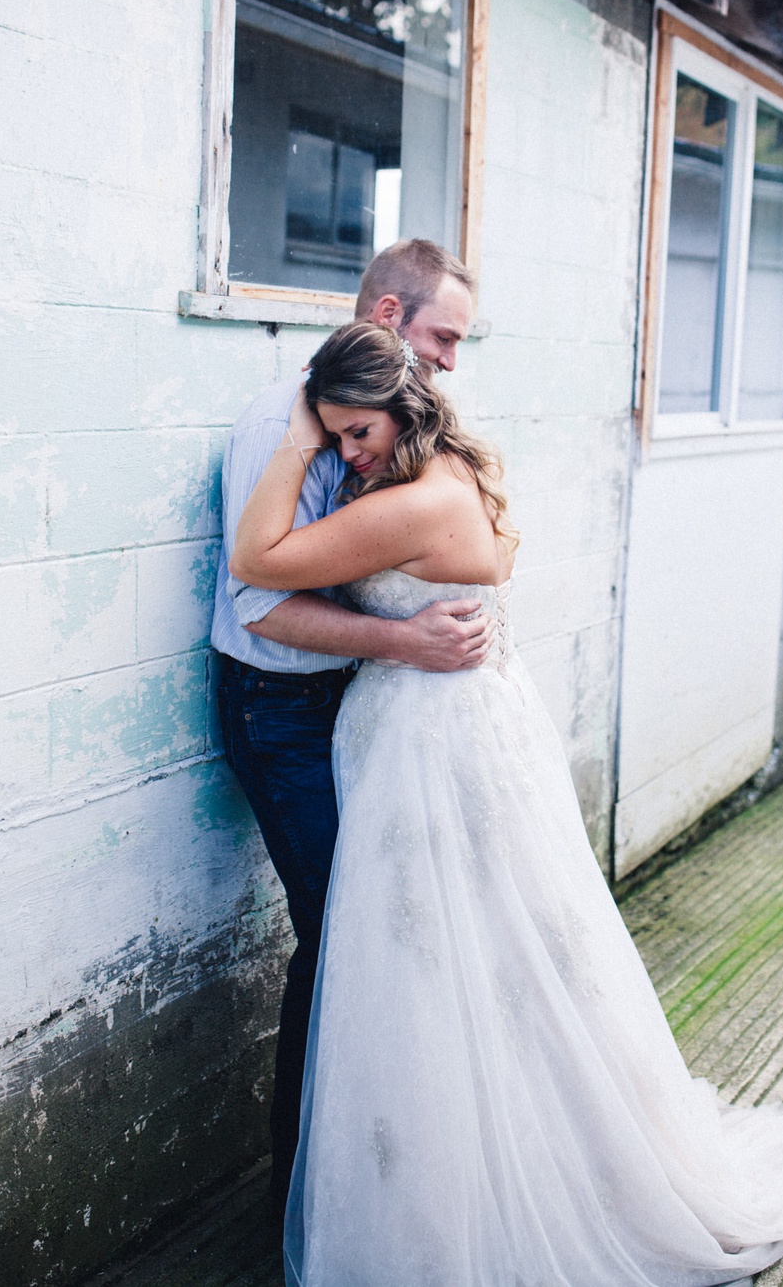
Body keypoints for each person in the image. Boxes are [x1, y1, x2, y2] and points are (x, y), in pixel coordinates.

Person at [230, 322, 783, 1287]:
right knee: (482, 952)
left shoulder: (412, 502)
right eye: (333, 436)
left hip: (433, 739)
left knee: (445, 954)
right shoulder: (448, 465)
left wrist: (292, 435)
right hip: (455, 724)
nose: (344, 453)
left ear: (399, 410)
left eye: (354, 433)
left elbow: (256, 558)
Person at [211, 240, 493, 1210]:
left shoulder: (403, 431)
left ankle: (391, 1164)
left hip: (357, 703)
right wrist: (398, 639)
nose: (452, 357)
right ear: (384, 316)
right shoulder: (285, 431)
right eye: (442, 335)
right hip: (279, 708)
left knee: (394, 930)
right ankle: (312, 1187)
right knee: (339, 939)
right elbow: (255, 605)